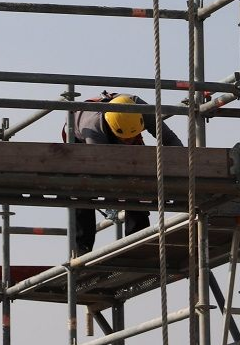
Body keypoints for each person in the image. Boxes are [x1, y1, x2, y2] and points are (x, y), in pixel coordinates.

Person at [68, 94, 183, 257]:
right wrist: (111, 201)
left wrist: (183, 170)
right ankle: (82, 248)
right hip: (81, 138)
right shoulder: (94, 129)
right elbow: (104, 172)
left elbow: (170, 140)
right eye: (125, 139)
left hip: (119, 129)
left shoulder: (141, 109)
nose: (128, 141)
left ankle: (138, 244)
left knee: (138, 183)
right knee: (83, 188)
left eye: (132, 137)